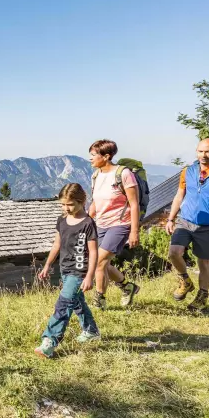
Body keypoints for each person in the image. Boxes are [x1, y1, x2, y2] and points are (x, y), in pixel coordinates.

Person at [165, 138, 209, 311]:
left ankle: (202, 295)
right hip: (185, 220)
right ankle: (185, 280)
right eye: (200, 151)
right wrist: (171, 218)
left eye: (208, 151)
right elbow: (179, 195)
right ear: (196, 151)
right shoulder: (188, 171)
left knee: (204, 263)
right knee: (174, 253)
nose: (204, 155)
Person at [35, 183, 100, 358]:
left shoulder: (88, 223)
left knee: (63, 304)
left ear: (82, 201)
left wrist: (89, 276)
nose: (66, 208)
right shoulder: (62, 220)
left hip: (79, 272)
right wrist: (48, 265)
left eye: (70, 204)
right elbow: (57, 244)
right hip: (65, 268)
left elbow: (93, 252)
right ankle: (91, 330)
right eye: (63, 204)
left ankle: (49, 341)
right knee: (77, 302)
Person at [87, 139, 141, 309]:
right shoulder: (96, 175)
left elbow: (134, 204)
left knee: (99, 262)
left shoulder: (123, 174)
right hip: (101, 224)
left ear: (106, 156)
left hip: (120, 224)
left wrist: (134, 231)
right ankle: (127, 286)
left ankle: (99, 300)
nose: (90, 159)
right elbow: (96, 202)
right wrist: (87, 220)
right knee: (102, 262)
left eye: (93, 155)